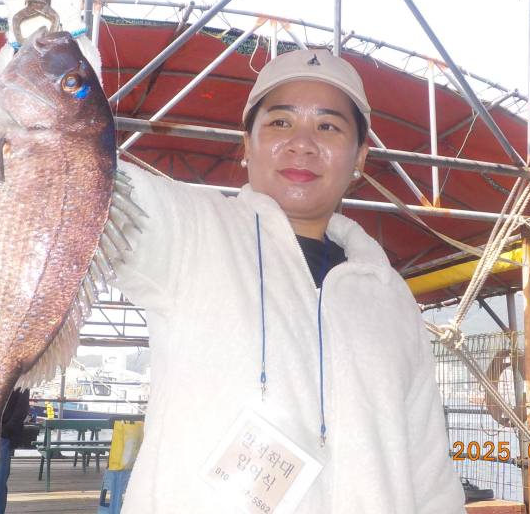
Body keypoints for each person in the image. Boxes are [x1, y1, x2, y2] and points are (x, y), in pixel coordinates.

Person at [110, 49, 465, 513]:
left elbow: (431, 476)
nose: (302, 143)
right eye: (280, 122)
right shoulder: (193, 232)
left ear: (360, 156)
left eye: (329, 126)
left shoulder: (389, 295)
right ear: (247, 144)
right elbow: (89, 185)